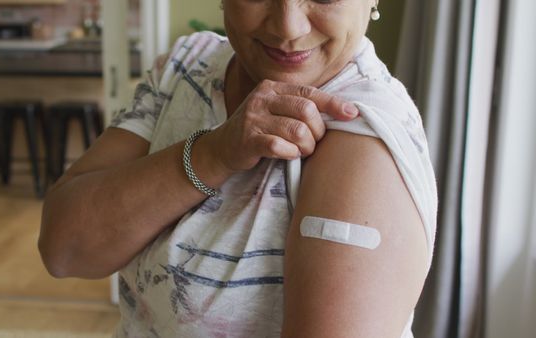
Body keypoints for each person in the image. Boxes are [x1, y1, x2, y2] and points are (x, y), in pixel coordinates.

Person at [39, 0, 437, 337]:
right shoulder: (187, 67)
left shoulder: (362, 134)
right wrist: (214, 153)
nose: (288, 27)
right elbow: (63, 249)